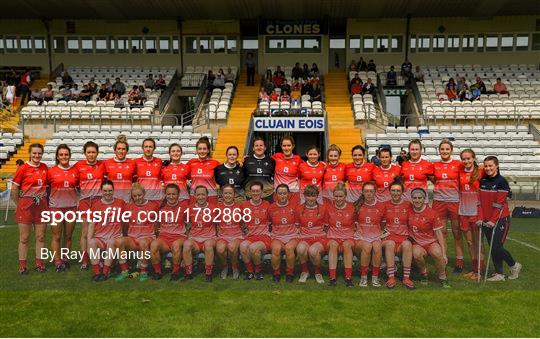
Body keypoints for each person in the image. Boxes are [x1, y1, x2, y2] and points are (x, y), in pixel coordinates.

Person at [479, 156, 522, 281]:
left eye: (490, 166)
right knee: (493, 246)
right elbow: (480, 202)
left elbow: (499, 204)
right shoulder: (483, 181)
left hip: (501, 219)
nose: (488, 168)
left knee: (497, 246)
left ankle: (514, 265)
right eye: (486, 166)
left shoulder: (502, 181)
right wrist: (482, 218)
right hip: (486, 220)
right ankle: (499, 274)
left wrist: (493, 220)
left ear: (496, 166)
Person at [11, 143, 48, 274]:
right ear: (30, 153)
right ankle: (22, 266)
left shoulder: (44, 167)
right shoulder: (23, 168)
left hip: (41, 207)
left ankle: (39, 263)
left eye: (39, 153)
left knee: (41, 237)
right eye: (34, 153)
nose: (37, 155)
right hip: (25, 208)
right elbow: (14, 188)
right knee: (24, 238)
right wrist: (18, 204)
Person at [115, 183, 160, 282]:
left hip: (148, 237)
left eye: (139, 195)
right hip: (133, 239)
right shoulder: (128, 207)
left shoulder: (153, 205)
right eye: (134, 196)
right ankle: (124, 271)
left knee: (143, 242)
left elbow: (157, 224)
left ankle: (143, 271)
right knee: (118, 241)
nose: (137, 198)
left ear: (144, 193)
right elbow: (125, 225)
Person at [432, 139, 464, 273]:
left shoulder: (458, 164)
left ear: (451, 150)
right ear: (439, 150)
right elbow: (431, 179)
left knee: (457, 233)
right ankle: (443, 260)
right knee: (441, 233)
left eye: (447, 149)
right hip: (439, 202)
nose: (444, 151)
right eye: (442, 149)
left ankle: (459, 262)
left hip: (454, 202)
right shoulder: (434, 166)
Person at [409, 188, 450, 288]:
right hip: (417, 243)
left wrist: (444, 253)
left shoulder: (432, 213)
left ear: (424, 199)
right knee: (416, 254)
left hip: (431, 242)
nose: (417, 200)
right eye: (414, 198)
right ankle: (424, 274)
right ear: (411, 199)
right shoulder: (408, 211)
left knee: (438, 253)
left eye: (420, 198)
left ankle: (442, 277)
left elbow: (439, 234)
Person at [46, 144, 78, 272]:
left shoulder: (75, 171)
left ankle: (66, 259)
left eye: (66, 154)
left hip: (71, 208)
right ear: (57, 157)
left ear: (69, 156)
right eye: (61, 155)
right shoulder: (51, 171)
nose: (64, 157)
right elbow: (46, 189)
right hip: (56, 208)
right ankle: (57, 261)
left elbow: (80, 188)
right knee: (56, 236)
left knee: (68, 236)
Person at [74, 141, 106, 269]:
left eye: (93, 152)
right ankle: (84, 260)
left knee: (99, 232)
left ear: (97, 153)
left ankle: (100, 258)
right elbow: (73, 183)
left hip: (99, 201)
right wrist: (77, 198)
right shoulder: (78, 166)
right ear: (85, 153)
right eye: (89, 152)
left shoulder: (102, 165)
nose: (91, 155)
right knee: (86, 232)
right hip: (85, 201)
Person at [87, 180, 125, 281]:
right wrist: (89, 240)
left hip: (114, 238)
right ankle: (97, 272)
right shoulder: (96, 205)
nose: (107, 193)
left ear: (113, 190)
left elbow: (126, 222)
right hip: (101, 238)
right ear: (101, 191)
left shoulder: (121, 203)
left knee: (112, 242)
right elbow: (92, 224)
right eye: (105, 191)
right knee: (91, 243)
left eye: (110, 190)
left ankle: (105, 272)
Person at [150, 184, 187, 281]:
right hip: (164, 238)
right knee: (154, 244)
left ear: (178, 195)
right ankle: (157, 272)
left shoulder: (184, 206)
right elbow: (156, 224)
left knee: (176, 245)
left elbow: (190, 224)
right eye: (169, 194)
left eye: (174, 194)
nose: (171, 196)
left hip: (179, 237)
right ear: (165, 195)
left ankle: (175, 272)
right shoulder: (160, 207)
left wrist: (187, 236)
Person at [382, 180, 415, 289]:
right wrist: (381, 234)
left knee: (407, 244)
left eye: (398, 191)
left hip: (403, 239)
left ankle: (406, 277)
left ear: (402, 192)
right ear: (389, 191)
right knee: (390, 243)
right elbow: (379, 223)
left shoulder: (409, 205)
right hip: (389, 239)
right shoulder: (384, 205)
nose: (395, 193)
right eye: (393, 190)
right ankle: (391, 277)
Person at [458, 149, 484, 280]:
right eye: (464, 159)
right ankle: (474, 270)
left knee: (478, 243)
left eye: (469, 158)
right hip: (463, 212)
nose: (466, 161)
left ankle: (479, 271)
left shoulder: (481, 171)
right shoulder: (460, 172)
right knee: (469, 243)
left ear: (474, 158)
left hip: (476, 213)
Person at [182, 186, 217, 282]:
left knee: (208, 245)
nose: (201, 197)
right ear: (195, 196)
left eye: (203, 194)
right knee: (186, 244)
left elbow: (218, 225)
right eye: (198, 195)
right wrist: (188, 237)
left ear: (207, 195)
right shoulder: (189, 209)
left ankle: (208, 274)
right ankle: (189, 273)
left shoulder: (214, 208)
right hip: (195, 240)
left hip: (209, 238)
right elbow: (187, 225)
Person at [354, 181, 385, 287]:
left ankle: (375, 278)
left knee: (377, 246)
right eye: (366, 191)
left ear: (375, 192)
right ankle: (363, 277)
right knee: (367, 246)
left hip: (375, 237)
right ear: (362, 192)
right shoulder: (357, 206)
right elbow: (351, 225)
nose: (369, 193)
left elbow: (384, 225)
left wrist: (381, 236)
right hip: (360, 239)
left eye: (371, 191)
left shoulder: (381, 206)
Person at [295, 185, 327, 284]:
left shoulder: (323, 208)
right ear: (304, 196)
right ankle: (305, 271)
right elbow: (297, 226)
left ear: (317, 196)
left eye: (313, 196)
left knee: (313, 251)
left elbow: (327, 227)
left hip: (319, 238)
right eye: (308, 195)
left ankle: (318, 272)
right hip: (305, 237)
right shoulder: (299, 208)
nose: (311, 198)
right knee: (300, 249)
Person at [239, 181, 272, 280]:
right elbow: (240, 221)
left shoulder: (267, 205)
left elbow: (273, 220)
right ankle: (250, 272)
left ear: (262, 192)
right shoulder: (244, 205)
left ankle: (258, 271)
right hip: (250, 236)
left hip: (264, 237)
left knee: (253, 248)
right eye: (253, 191)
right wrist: (243, 230)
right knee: (243, 246)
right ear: (250, 193)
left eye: (258, 191)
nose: (255, 193)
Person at [325, 183, 356, 287]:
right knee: (333, 245)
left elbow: (356, 224)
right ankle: (332, 278)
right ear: (333, 196)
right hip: (333, 236)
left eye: (341, 196)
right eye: (336, 196)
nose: (338, 199)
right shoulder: (329, 207)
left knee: (347, 246)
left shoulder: (352, 207)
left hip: (348, 237)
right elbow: (325, 226)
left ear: (345, 196)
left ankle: (348, 278)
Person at [267, 184, 299, 282]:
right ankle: (276, 273)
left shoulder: (295, 206)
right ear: (276, 195)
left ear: (288, 194)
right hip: (277, 236)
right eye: (280, 193)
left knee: (289, 248)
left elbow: (299, 223)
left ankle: (290, 273)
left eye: (284, 193)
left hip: (292, 235)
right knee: (276, 249)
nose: (282, 196)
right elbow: (268, 223)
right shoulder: (271, 208)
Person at [216, 185, 244, 279]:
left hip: (237, 236)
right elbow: (215, 224)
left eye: (230, 193)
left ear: (234, 195)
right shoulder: (217, 208)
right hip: (223, 236)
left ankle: (235, 267)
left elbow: (244, 222)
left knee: (232, 247)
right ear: (222, 195)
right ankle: (225, 267)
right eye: (225, 193)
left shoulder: (240, 207)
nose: (228, 195)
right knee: (220, 249)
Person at [187, 137, 220, 204]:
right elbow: (181, 173)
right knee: (194, 214)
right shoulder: (191, 163)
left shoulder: (215, 163)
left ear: (208, 150)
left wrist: (238, 163)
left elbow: (226, 169)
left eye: (204, 149)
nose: (202, 151)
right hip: (194, 196)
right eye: (200, 149)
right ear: (196, 150)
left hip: (211, 196)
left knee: (211, 214)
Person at [104, 135, 136, 202]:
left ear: (127, 151)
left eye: (123, 149)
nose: (121, 151)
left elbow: (135, 182)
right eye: (119, 149)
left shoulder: (132, 163)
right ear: (115, 150)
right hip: (111, 200)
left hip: (127, 200)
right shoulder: (107, 163)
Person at [271, 136, 301, 204]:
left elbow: (309, 166)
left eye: (289, 145)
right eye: (284, 146)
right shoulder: (276, 157)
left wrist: (322, 164)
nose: (286, 148)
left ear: (293, 146)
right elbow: (263, 161)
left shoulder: (298, 159)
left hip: (293, 192)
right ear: (281, 146)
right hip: (278, 192)